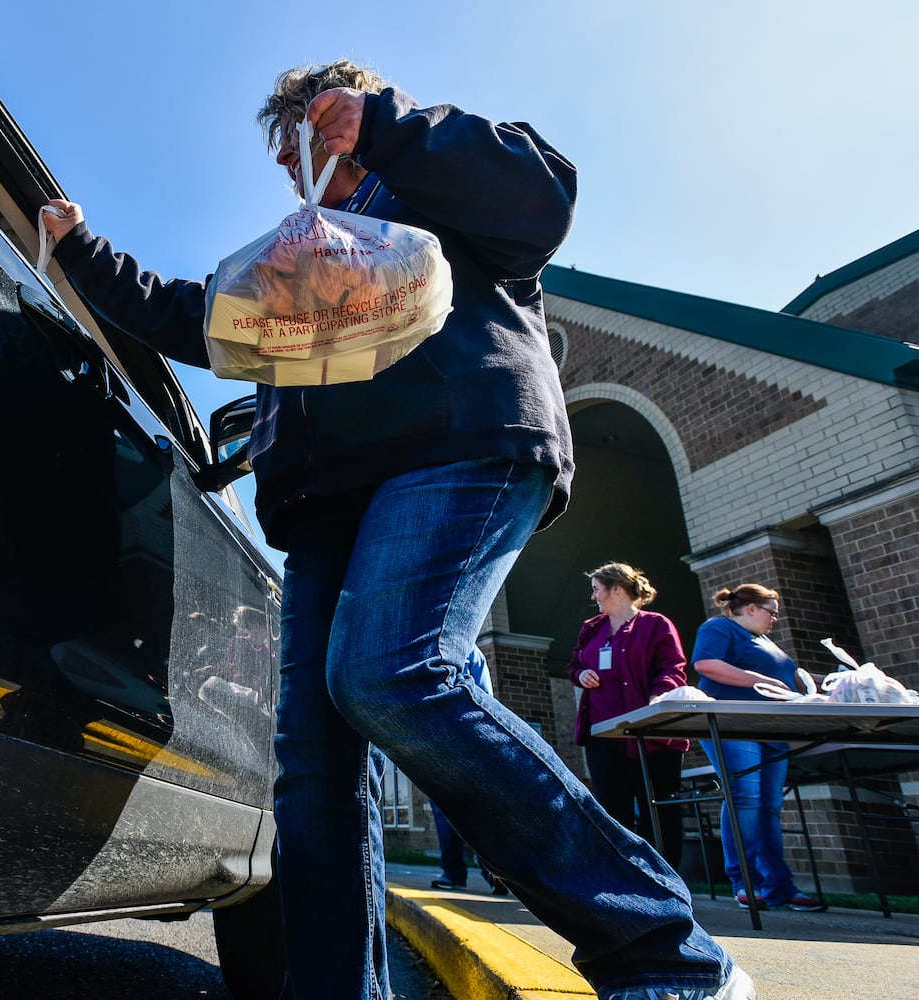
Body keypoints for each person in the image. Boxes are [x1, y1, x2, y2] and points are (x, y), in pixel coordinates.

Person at [41, 59, 750, 1000]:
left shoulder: (425, 184)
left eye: (307, 142)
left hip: (460, 443)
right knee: (312, 770)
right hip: (329, 504)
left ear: (333, 120)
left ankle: (666, 952)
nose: (297, 173)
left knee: (391, 673)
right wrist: (82, 251)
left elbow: (542, 200)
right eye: (285, 161)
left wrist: (386, 125)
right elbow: (198, 316)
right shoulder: (297, 258)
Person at [691, 584, 826, 912]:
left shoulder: (767, 642)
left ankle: (779, 887)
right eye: (771, 611)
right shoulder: (720, 627)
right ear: (750, 608)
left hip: (771, 729)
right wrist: (753, 680)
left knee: (769, 805)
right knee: (745, 798)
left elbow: (794, 680)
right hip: (732, 725)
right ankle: (745, 882)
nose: (775, 618)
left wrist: (847, 682)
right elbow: (706, 664)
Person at [568, 563, 690, 873]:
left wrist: (659, 697)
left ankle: (663, 879)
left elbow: (672, 668)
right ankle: (620, 878)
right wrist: (581, 674)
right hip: (604, 734)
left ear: (617, 589)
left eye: (597, 589)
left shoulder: (656, 625)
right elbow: (574, 665)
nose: (594, 596)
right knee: (612, 807)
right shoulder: (591, 628)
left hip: (650, 734)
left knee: (659, 809)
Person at [429, 648, 507, 895]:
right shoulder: (426, 646)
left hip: (469, 742)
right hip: (438, 744)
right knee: (445, 812)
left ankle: (494, 871)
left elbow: (486, 699)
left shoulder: (472, 654)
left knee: (481, 811)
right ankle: (452, 872)